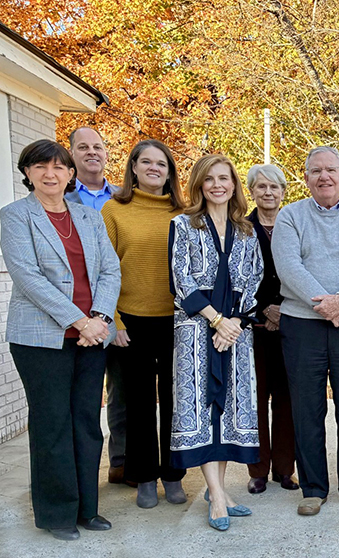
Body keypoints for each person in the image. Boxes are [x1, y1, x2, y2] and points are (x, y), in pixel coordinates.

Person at [1, 139, 120, 540]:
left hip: (91, 337)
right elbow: (28, 277)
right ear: (28, 173)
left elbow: (109, 271)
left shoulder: (88, 217)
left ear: (70, 174)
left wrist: (100, 319)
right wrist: (79, 321)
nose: (50, 174)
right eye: (40, 167)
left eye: (58, 167)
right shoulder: (15, 217)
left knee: (87, 423)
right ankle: (57, 514)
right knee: (52, 424)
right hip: (40, 338)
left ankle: (87, 508)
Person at [273, 146, 339, 516]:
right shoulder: (290, 217)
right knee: (307, 407)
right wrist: (326, 305)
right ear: (305, 178)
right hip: (303, 324)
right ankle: (313, 487)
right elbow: (289, 266)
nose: (324, 177)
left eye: (330, 170)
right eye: (315, 171)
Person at [168, 155, 264, 530]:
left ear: (234, 185)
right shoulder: (183, 225)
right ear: (199, 184)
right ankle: (218, 499)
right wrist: (218, 321)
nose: (218, 185)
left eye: (224, 178)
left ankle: (218, 490)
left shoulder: (246, 230)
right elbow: (181, 279)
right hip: (196, 329)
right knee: (204, 408)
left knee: (227, 415)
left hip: (236, 334)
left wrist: (235, 322)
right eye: (210, 179)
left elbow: (255, 279)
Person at [101, 139, 187, 509]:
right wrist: (114, 320)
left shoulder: (185, 213)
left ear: (170, 172)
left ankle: (173, 474)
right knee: (136, 404)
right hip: (130, 322)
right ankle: (145, 478)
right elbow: (103, 270)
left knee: (175, 402)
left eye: (162, 163)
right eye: (147, 162)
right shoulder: (114, 210)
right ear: (133, 168)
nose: (155, 168)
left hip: (178, 321)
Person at [64, 126, 130, 487]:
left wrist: (113, 318)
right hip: (73, 316)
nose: (92, 152)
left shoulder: (124, 198)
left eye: (98, 147)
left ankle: (120, 462)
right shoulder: (59, 196)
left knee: (121, 393)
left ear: (107, 154)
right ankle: (77, 472)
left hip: (116, 313)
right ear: (71, 154)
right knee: (81, 400)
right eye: (83, 147)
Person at [243, 164, 298, 495]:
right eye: (261, 187)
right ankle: (258, 470)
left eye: (274, 187)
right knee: (257, 399)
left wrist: (285, 308)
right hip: (254, 325)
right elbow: (236, 274)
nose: (268, 192)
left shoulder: (295, 226)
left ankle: (285, 469)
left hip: (293, 323)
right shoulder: (242, 228)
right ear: (252, 192)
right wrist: (264, 306)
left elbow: (305, 267)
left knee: (288, 399)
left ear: (283, 191)